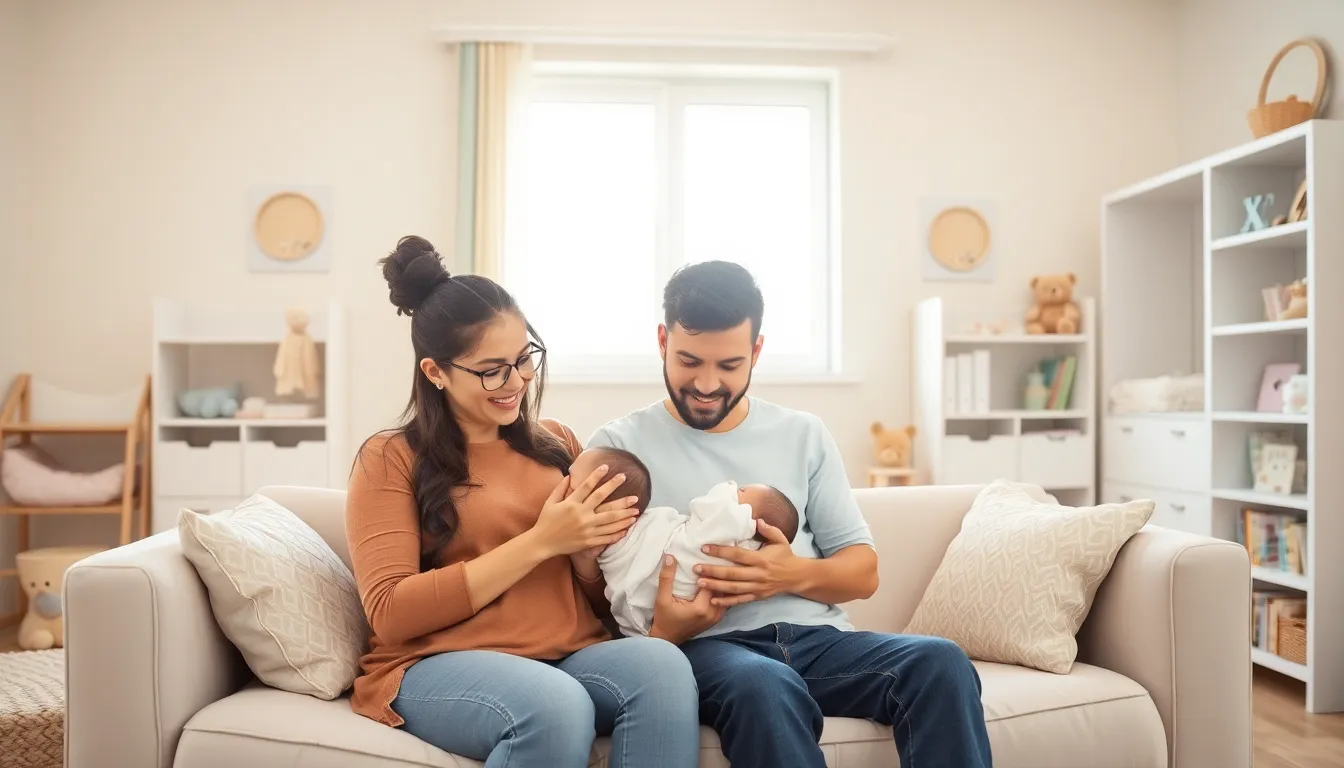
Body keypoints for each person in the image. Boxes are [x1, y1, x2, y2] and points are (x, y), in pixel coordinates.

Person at [587, 260, 994, 767]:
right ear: (662, 341)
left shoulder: (803, 434)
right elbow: (594, 583)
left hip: (818, 642)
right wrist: (660, 634)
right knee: (764, 684)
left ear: (756, 350)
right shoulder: (617, 449)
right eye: (689, 361)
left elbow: (862, 573)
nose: (707, 383)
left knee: (940, 662)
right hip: (707, 652)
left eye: (729, 365)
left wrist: (788, 574)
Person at [344, 235, 701, 768]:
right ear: (435, 373)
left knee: (661, 666)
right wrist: (541, 542)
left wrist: (583, 562)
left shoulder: (560, 444)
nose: (517, 382)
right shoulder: (390, 457)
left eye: (524, 357)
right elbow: (391, 612)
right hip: (437, 664)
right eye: (492, 369)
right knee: (555, 706)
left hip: (569, 655)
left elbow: (609, 598)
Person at [568, 446, 798, 638]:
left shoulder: (733, 525)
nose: (732, 488)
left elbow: (712, 504)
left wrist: (790, 572)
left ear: (751, 520)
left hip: (674, 604)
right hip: (673, 622)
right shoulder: (611, 447)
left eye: (740, 490)